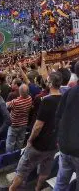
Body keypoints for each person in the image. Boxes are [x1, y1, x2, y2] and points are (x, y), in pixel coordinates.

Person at [8, 72, 62, 191]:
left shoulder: (47, 100)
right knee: (45, 169)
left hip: (39, 144)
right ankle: (37, 188)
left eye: (48, 80)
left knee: (22, 169)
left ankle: (11, 189)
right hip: (53, 144)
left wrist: (30, 140)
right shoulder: (63, 98)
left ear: (51, 83)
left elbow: (38, 126)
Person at [54, 63, 79, 191]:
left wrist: (59, 139)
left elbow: (57, 117)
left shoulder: (69, 92)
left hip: (65, 146)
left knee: (61, 183)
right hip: (76, 151)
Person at [5, 84, 32, 152]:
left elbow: (5, 105)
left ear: (19, 92)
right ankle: (16, 155)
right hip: (24, 124)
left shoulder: (15, 102)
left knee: (10, 143)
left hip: (14, 125)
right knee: (20, 141)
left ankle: (9, 157)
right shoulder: (30, 99)